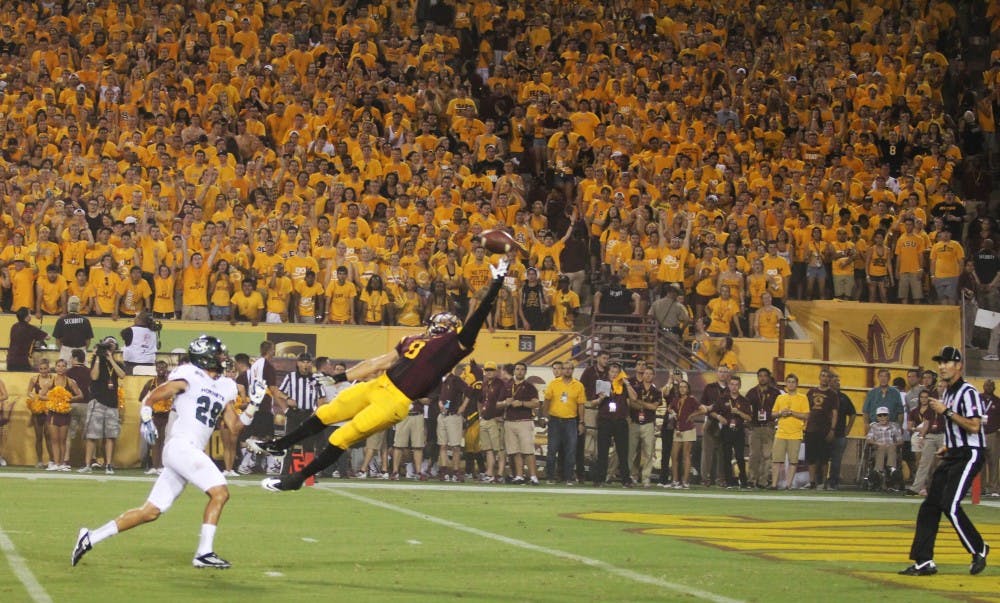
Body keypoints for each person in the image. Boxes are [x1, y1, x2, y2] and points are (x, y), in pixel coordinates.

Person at [249, 256, 510, 491]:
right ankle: (278, 445)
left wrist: (496, 285)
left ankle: (296, 480)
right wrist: (342, 377)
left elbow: (478, 317)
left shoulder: (452, 347)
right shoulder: (413, 339)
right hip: (378, 384)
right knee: (326, 413)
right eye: (440, 322)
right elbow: (377, 363)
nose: (442, 326)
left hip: (396, 401)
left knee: (342, 436)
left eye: (447, 324)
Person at [72, 335, 244, 569]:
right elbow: (151, 397)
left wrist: (252, 406)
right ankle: (204, 552)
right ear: (206, 358)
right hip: (182, 446)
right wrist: (146, 419)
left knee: (151, 511)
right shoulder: (189, 375)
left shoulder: (226, 386)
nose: (224, 358)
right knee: (220, 492)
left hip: (187, 452)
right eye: (219, 354)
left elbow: (234, 427)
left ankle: (90, 537)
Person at [901, 346, 989, 576]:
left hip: (970, 453)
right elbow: (957, 429)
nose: (942, 366)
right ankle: (923, 561)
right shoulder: (948, 392)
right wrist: (948, 445)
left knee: (950, 504)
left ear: (959, 366)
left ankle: (979, 548)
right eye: (940, 362)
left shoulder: (968, 392)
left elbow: (975, 425)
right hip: (955, 452)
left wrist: (947, 411)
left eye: (947, 362)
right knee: (930, 505)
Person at [78, 337, 126, 474]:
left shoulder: (117, 363)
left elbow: (122, 375)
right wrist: (98, 357)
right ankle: (87, 464)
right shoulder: (96, 360)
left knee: (110, 436)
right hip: (98, 401)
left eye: (110, 346)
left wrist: (111, 359)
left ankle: (108, 464)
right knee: (92, 435)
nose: (107, 349)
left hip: (112, 403)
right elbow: (94, 376)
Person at [592, 361, 636, 488]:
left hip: (620, 420)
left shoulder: (623, 385)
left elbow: (634, 398)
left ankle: (626, 480)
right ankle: (600, 478)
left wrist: (627, 383)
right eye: (612, 371)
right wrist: (601, 398)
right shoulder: (602, 383)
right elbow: (593, 402)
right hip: (605, 420)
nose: (614, 374)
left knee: (623, 452)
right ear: (608, 372)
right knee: (602, 451)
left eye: (616, 372)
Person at [542, 361, 586, 484]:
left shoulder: (578, 385)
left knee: (571, 450)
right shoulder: (554, 384)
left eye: (569, 368)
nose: (567, 371)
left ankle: (568, 478)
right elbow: (546, 401)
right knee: (552, 449)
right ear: (561, 370)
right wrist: (545, 416)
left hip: (571, 421)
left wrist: (581, 422)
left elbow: (581, 405)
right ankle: (550, 477)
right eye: (565, 368)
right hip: (555, 420)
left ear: (573, 370)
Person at [500, 362, 541, 485]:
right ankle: (519, 475)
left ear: (525, 372)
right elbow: (497, 403)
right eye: (517, 369)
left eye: (522, 369)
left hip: (524, 421)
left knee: (528, 451)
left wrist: (522, 403)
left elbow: (536, 403)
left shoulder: (529, 387)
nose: (519, 371)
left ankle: (534, 477)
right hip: (509, 421)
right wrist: (505, 403)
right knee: (515, 451)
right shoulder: (507, 386)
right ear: (514, 371)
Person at [770, 374, 810, 490]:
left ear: (797, 384)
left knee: (793, 460)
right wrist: (781, 413)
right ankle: (774, 484)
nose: (791, 384)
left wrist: (792, 413)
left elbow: (806, 415)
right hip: (781, 432)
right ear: (786, 384)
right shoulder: (780, 398)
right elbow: (773, 414)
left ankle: (788, 485)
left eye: (793, 382)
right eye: (789, 382)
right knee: (776, 460)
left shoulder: (802, 398)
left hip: (795, 433)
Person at [745, 368, 781, 488]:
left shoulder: (776, 393)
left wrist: (775, 422)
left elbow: (780, 409)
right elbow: (746, 409)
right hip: (755, 427)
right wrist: (749, 424)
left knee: (767, 455)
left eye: (765, 376)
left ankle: (763, 481)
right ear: (757, 377)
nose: (762, 378)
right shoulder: (751, 392)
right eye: (760, 375)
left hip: (769, 427)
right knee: (754, 455)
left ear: (769, 377)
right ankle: (751, 479)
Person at [804, 369, 838, 489]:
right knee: (811, 457)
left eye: (827, 376)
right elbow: (805, 409)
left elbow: (834, 413)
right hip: (811, 429)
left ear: (829, 379)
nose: (824, 378)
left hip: (825, 429)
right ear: (819, 377)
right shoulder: (811, 392)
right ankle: (812, 482)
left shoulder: (833, 395)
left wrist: (832, 429)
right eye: (822, 376)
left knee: (824, 458)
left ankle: (824, 482)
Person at [628, 366, 662, 487]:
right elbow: (631, 403)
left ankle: (646, 478)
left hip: (648, 423)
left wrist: (640, 403)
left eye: (650, 374)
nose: (647, 375)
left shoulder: (657, 392)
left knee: (648, 452)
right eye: (646, 373)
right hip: (635, 422)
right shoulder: (636, 388)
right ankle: (632, 476)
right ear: (643, 375)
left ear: (653, 376)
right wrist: (645, 404)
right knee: (631, 452)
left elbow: (654, 407)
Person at [437, 364, 471, 482]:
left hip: (453, 416)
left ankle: (456, 471)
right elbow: (443, 398)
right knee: (442, 445)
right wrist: (440, 404)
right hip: (443, 416)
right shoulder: (443, 381)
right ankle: (444, 470)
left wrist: (463, 406)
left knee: (455, 446)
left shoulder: (455, 379)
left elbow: (469, 391)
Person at [140, 360, 172, 475]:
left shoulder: (170, 383)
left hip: (168, 415)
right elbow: (141, 398)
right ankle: (154, 466)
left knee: (164, 440)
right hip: (155, 415)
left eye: (163, 367)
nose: (161, 369)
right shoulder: (151, 383)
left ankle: (162, 466)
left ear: (167, 368)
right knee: (154, 441)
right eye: (159, 367)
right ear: (156, 369)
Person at [827, 375, 857, 490]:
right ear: (829, 383)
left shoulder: (843, 397)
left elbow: (853, 413)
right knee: (823, 458)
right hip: (824, 432)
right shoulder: (825, 396)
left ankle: (833, 482)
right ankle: (819, 481)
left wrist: (848, 428)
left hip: (839, 433)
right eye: (835, 381)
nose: (837, 383)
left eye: (838, 381)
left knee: (837, 459)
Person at [866, 406, 904, 489]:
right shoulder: (874, 427)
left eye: (884, 415)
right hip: (878, 448)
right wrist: (877, 443)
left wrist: (894, 444)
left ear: (888, 416)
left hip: (891, 448)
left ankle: (888, 469)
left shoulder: (894, 426)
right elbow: (868, 440)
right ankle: (886, 469)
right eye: (880, 415)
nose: (882, 417)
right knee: (882, 448)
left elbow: (901, 441)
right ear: (877, 417)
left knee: (890, 447)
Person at [392, 398, 428, 480]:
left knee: (418, 446)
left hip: (417, 415)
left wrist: (416, 395)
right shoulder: (400, 385)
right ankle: (395, 471)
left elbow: (427, 401)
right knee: (398, 445)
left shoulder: (421, 386)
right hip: (403, 415)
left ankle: (418, 472)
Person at [7, 307, 49, 371]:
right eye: (29, 313)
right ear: (26, 317)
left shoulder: (14, 326)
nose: (30, 315)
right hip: (22, 361)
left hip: (10, 360)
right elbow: (48, 337)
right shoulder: (31, 329)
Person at [52, 296, 93, 361]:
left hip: (65, 351)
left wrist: (63, 350)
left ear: (68, 305)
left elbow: (57, 340)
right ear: (79, 306)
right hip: (80, 351)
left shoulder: (61, 320)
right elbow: (88, 340)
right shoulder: (85, 321)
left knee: (64, 370)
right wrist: (83, 350)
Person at [120, 311, 159, 375]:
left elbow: (122, 334)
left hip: (133, 364)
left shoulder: (130, 330)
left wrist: (135, 325)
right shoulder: (154, 332)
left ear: (139, 319)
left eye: (136, 317)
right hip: (149, 364)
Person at [981, 380, 998, 497]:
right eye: (987, 385)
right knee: (979, 463)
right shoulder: (977, 399)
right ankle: (980, 489)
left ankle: (994, 489)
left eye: (991, 385)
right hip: (978, 435)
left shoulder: (998, 401)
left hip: (993, 435)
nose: (989, 387)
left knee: (994, 462)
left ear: (994, 387)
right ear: (983, 387)